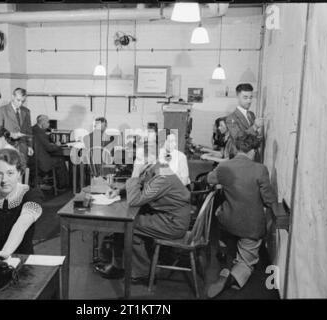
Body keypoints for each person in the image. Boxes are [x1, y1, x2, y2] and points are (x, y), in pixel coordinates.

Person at [94, 161, 191, 284]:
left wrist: (135, 174)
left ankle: (139, 273)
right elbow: (143, 182)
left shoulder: (162, 177)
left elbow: (135, 200)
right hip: (169, 217)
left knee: (128, 224)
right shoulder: (158, 169)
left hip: (173, 224)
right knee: (127, 221)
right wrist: (119, 191)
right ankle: (121, 266)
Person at [206, 133, 276, 298]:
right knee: (247, 261)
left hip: (228, 221)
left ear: (236, 148)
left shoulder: (225, 166)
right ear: (254, 151)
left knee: (221, 214)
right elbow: (269, 200)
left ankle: (225, 256)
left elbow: (209, 179)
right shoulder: (260, 169)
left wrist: (224, 185)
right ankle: (233, 278)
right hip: (250, 226)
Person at [0, 88, 34, 161]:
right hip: (7, 149)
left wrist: (30, 146)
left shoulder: (26, 111)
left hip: (22, 150)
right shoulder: (1, 111)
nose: (20, 103)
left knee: (21, 171)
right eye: (18, 100)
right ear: (13, 97)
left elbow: (29, 131)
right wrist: (10, 134)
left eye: (23, 101)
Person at [225, 83, 263, 161]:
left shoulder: (251, 115)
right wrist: (255, 127)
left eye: (251, 97)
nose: (249, 101)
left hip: (254, 157)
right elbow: (238, 138)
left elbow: (254, 136)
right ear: (238, 97)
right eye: (245, 97)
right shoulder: (231, 118)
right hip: (240, 158)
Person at [32, 114, 69, 189]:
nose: (49, 124)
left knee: (56, 157)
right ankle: (62, 185)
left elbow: (43, 144)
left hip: (33, 160)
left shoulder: (33, 129)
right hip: (41, 162)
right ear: (42, 123)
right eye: (48, 122)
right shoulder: (41, 133)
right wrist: (57, 145)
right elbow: (49, 148)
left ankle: (51, 182)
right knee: (60, 160)